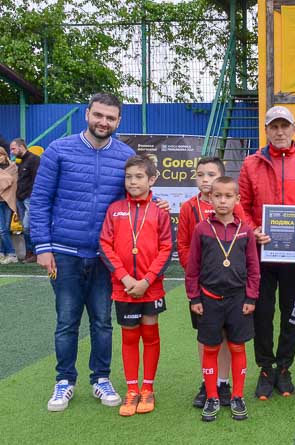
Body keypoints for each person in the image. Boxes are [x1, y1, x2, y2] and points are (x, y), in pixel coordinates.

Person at [31, 93, 166, 412]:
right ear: (87, 114)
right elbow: (39, 201)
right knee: (66, 320)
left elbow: (136, 191)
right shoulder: (58, 150)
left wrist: (155, 201)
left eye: (111, 117)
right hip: (63, 252)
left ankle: (100, 378)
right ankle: (64, 380)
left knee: (103, 322)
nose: (104, 122)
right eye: (99, 115)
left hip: (107, 257)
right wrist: (43, 246)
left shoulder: (124, 154)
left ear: (119, 121)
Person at [238, 105, 295, 399]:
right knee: (262, 314)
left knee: (291, 315)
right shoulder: (251, 163)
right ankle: (265, 368)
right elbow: (242, 206)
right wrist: (253, 231)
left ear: (294, 128)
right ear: (266, 130)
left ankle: (284, 368)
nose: (279, 131)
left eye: (284, 126)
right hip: (261, 254)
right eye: (273, 126)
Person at [99, 154, 172, 416]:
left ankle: (148, 388)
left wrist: (146, 280)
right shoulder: (115, 209)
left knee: (150, 335)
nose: (133, 182)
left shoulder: (160, 211)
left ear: (152, 179)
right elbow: (104, 245)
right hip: (124, 287)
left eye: (139, 176)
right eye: (128, 177)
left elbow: (167, 248)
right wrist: (126, 278)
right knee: (129, 336)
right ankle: (131, 390)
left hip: (150, 287)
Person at [186, 177, 260, 422]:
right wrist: (194, 297)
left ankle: (237, 396)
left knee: (238, 346)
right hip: (208, 300)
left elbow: (253, 267)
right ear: (210, 198)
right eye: (218, 196)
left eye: (228, 196)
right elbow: (192, 267)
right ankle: (212, 396)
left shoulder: (246, 230)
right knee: (211, 348)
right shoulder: (202, 229)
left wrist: (251, 296)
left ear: (237, 199)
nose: (223, 200)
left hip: (239, 301)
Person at [178, 157, 236, 409]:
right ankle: (207, 382)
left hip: (229, 286)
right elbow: (182, 246)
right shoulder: (188, 208)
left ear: (221, 178)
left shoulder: (234, 206)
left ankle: (223, 383)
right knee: (205, 337)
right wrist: (197, 273)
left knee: (225, 336)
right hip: (203, 287)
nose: (205, 179)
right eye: (200, 174)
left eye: (211, 174)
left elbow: (243, 234)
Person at [10, 138, 40, 263]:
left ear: (22, 146)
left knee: (28, 227)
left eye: (13, 148)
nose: (11, 152)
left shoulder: (34, 159)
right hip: (21, 199)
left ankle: (33, 252)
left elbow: (38, 180)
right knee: (25, 227)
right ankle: (29, 253)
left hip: (29, 198)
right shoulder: (20, 161)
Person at [0, 146, 18, 264]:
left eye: (0, 155)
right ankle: (7, 253)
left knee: (5, 228)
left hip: (7, 201)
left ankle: (9, 254)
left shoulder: (13, 167)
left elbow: (13, 182)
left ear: (5, 155)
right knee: (1, 229)